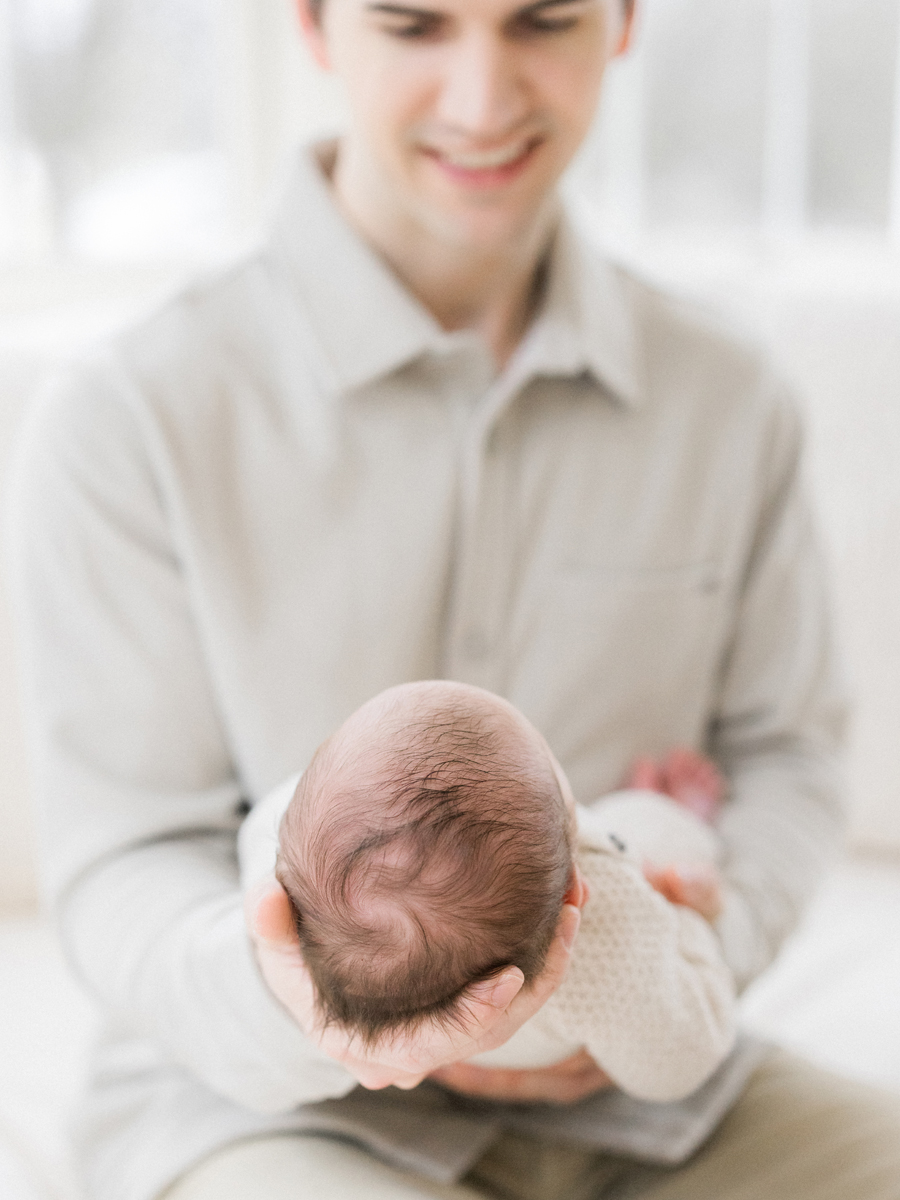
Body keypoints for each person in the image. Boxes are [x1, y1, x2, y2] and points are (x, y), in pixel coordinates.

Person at [7, 0, 900, 1195]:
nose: (482, 102)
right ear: (317, 27)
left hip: (659, 1107)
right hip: (259, 1108)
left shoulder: (730, 401)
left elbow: (785, 756)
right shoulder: (129, 418)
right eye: (415, 24)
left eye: (540, 21)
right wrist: (308, 1003)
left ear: (624, 20)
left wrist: (669, 972)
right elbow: (127, 860)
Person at [248, 679, 733, 1095]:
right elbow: (681, 1062)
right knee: (651, 831)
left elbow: (263, 825)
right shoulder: (608, 920)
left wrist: (260, 883)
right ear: (573, 891)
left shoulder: (290, 855)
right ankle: (674, 810)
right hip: (594, 1040)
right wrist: (692, 924)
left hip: (392, 1098)